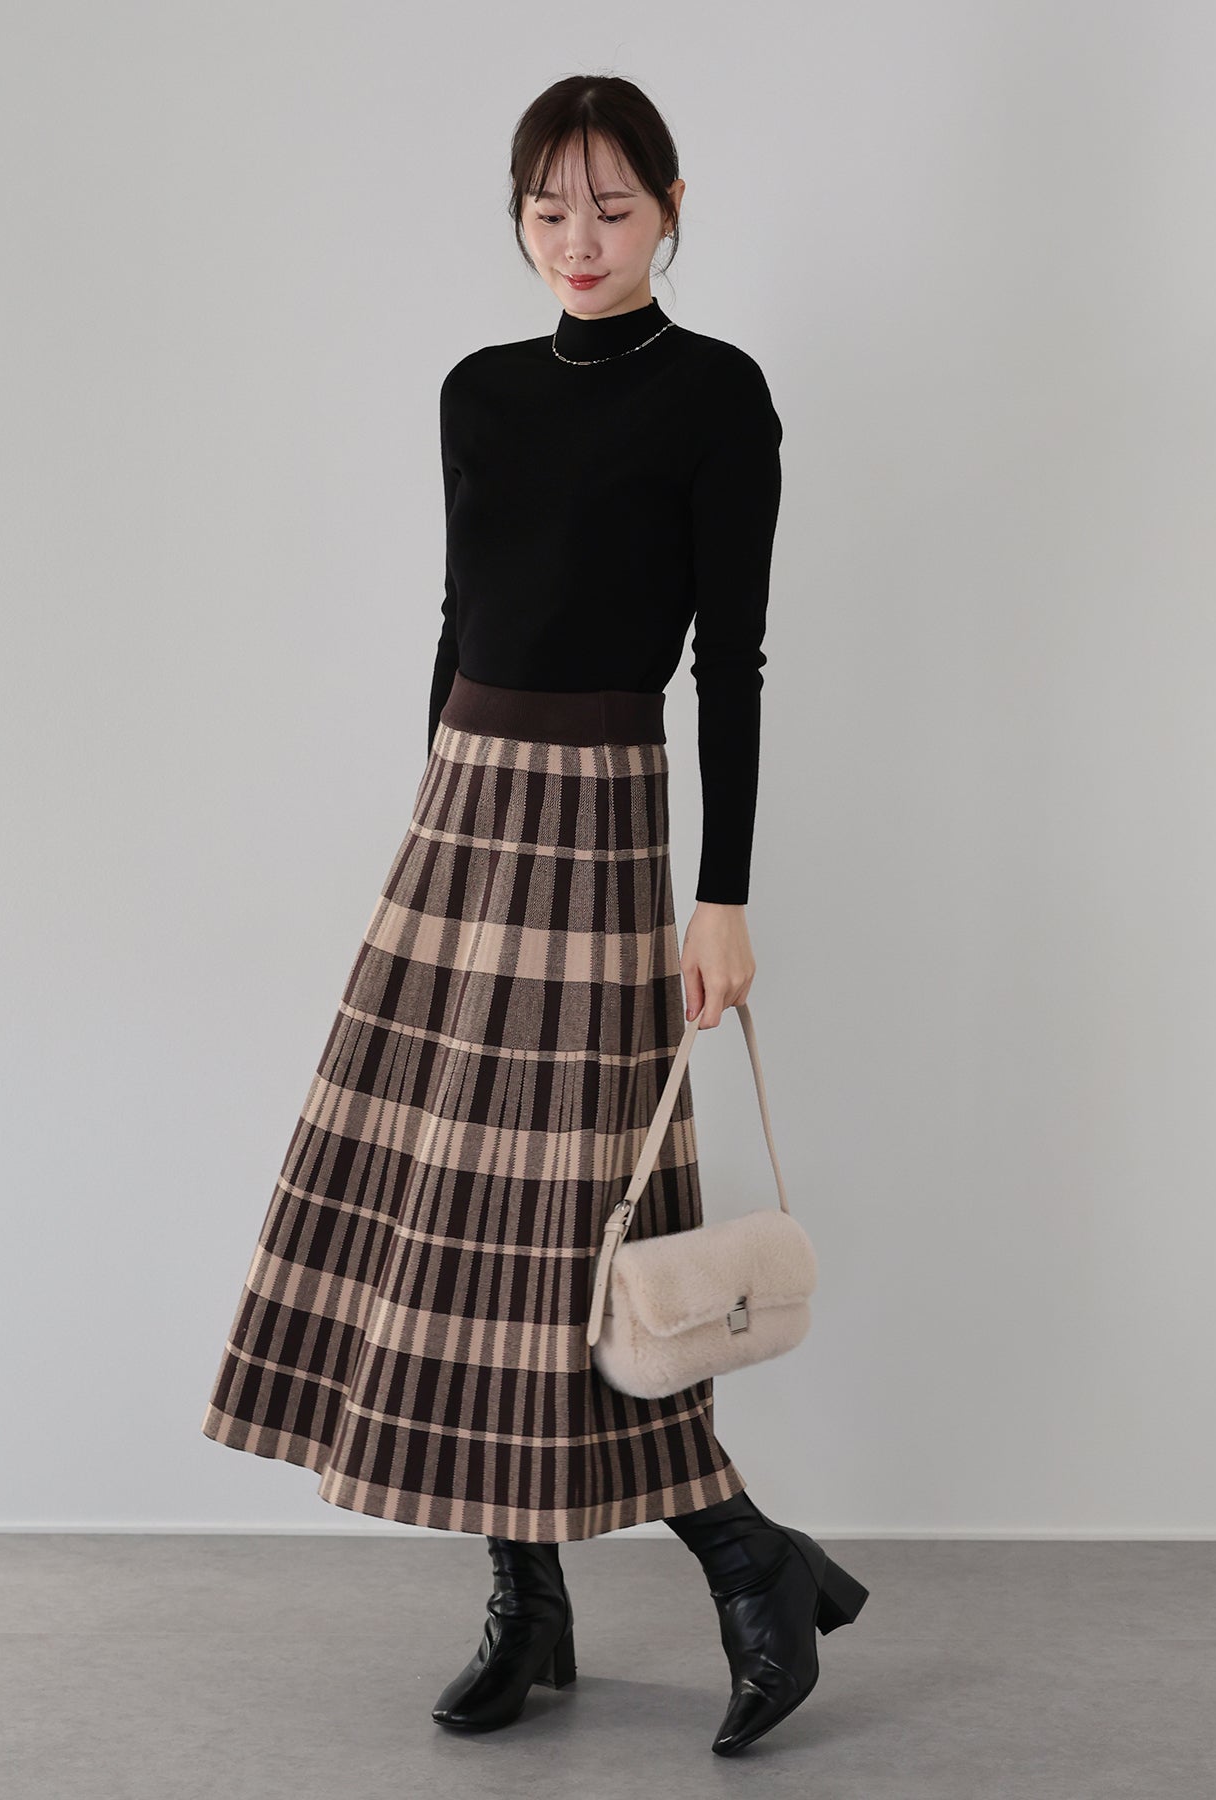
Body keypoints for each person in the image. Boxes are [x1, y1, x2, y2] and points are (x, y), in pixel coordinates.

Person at [200, 73, 869, 1756]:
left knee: (568, 1216)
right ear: (517, 213)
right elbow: (460, 613)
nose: (579, 240)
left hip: (602, 821)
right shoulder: (478, 391)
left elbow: (731, 661)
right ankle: (532, 1595)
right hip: (463, 817)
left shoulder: (718, 394)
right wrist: (429, 809)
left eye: (613, 209)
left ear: (671, 209)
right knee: (448, 1213)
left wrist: (722, 894)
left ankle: (747, 1556)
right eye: (549, 210)